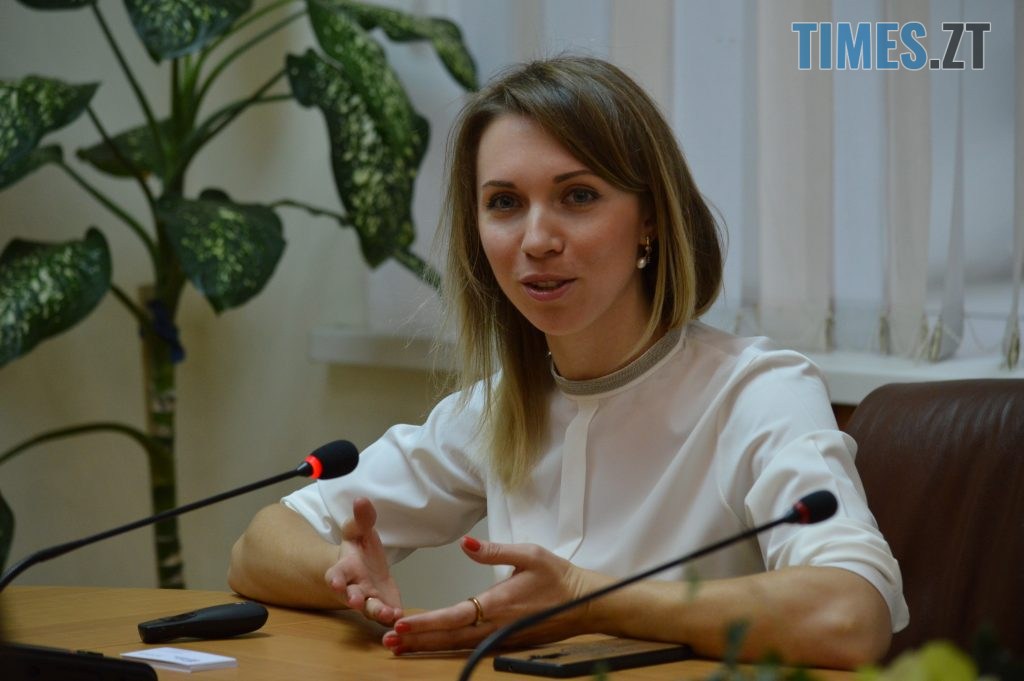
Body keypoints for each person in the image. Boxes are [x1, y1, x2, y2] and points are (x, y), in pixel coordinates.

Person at [228, 56, 908, 668]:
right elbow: (258, 546)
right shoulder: (496, 408)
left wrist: (588, 599)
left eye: (577, 196)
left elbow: (852, 614)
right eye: (504, 203)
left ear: (650, 220)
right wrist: (341, 573)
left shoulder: (757, 391)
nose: (536, 239)